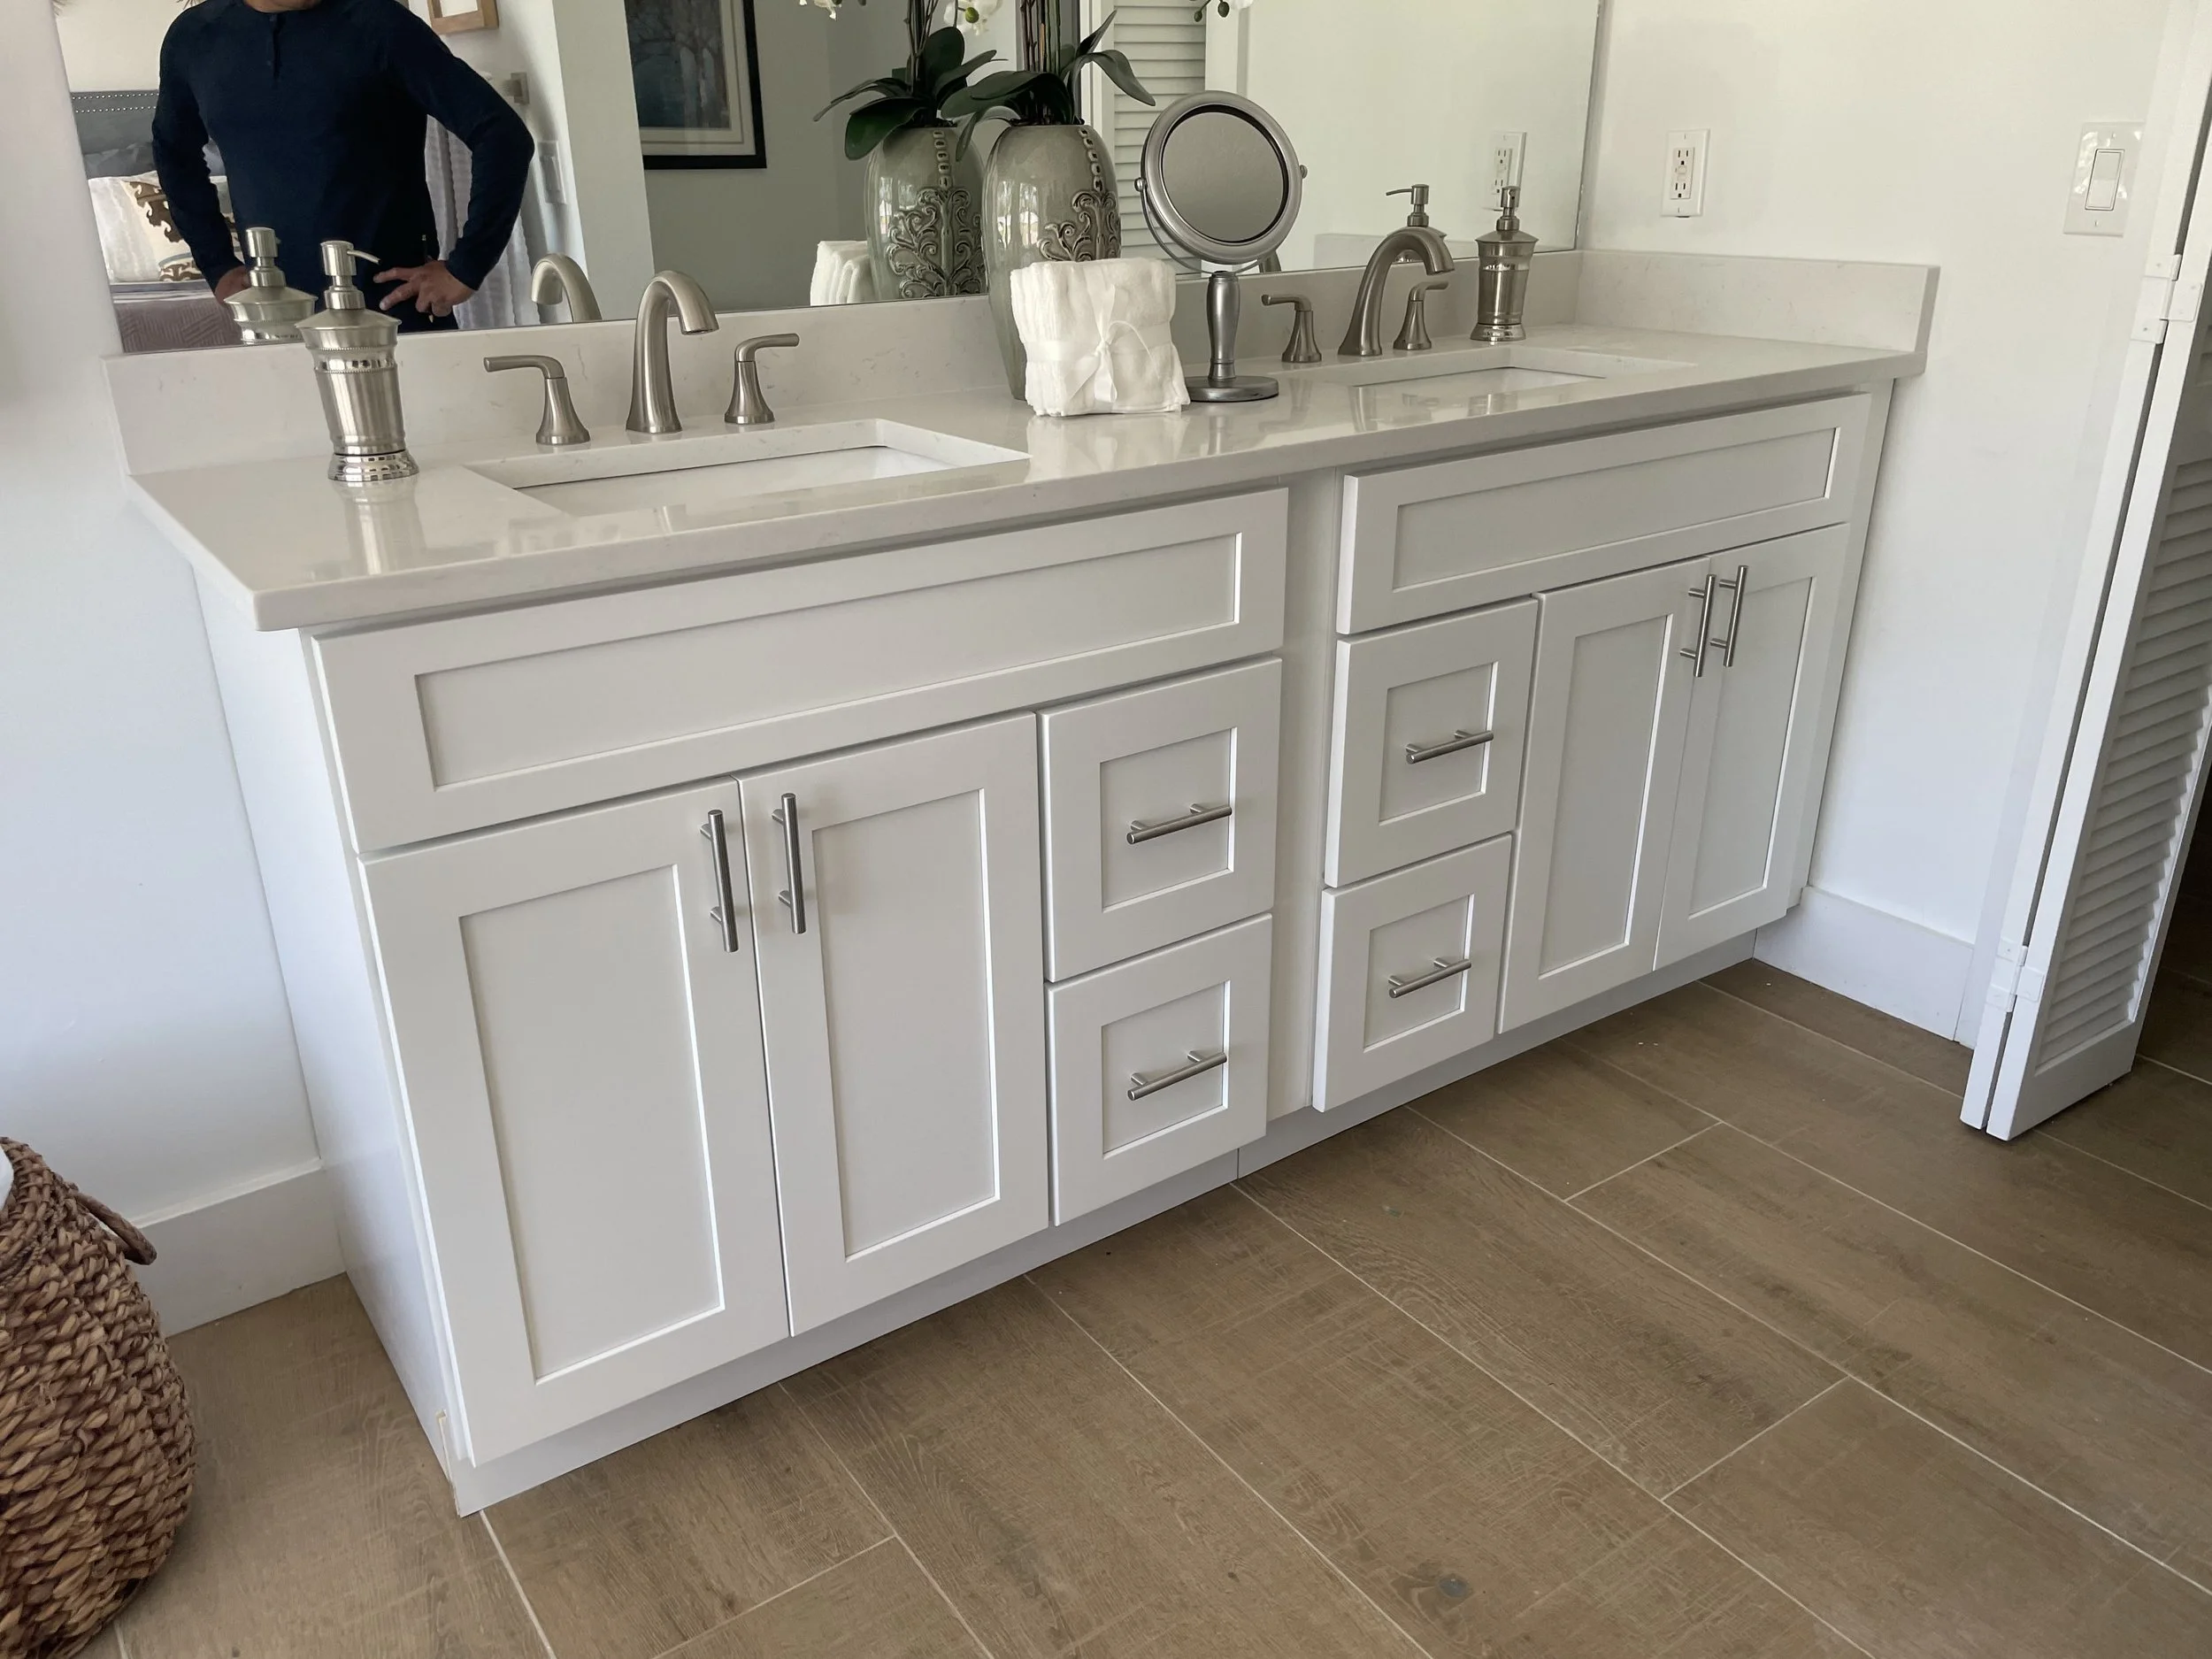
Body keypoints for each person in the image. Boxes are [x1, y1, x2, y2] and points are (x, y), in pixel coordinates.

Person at [153, 0, 534, 330]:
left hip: (394, 312)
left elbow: (502, 136)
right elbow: (175, 154)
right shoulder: (194, 38)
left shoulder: (379, 24)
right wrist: (216, 264)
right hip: (274, 318)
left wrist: (466, 267)